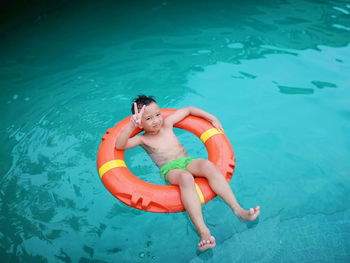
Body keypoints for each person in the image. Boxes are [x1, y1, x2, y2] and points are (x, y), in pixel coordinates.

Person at [115, 95, 260, 251]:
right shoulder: (142, 139)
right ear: (140, 123)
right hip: (170, 170)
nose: (156, 120)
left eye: (157, 115)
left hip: (187, 161)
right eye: (149, 118)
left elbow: (189, 110)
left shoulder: (168, 124)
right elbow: (120, 145)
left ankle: (238, 210)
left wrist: (213, 118)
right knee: (186, 177)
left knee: (207, 165)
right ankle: (203, 232)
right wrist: (131, 126)